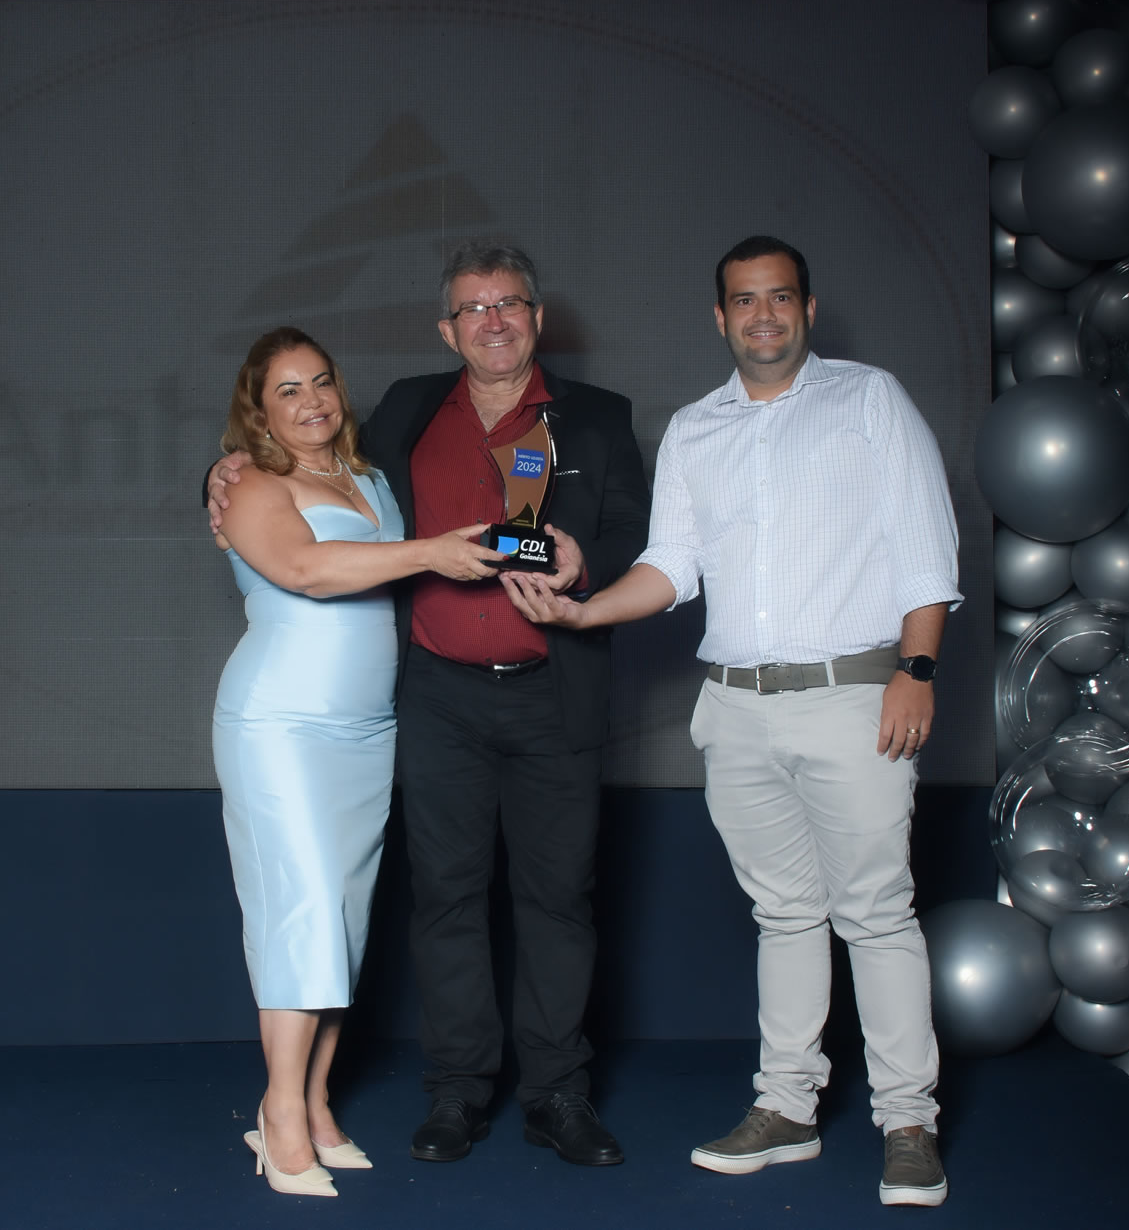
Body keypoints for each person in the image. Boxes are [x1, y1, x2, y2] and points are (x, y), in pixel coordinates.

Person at [501, 235, 962, 1207]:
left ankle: (907, 1121)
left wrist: (915, 670)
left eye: (779, 297)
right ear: (720, 317)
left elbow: (925, 550)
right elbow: (673, 564)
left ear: (806, 308)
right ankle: (786, 1107)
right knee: (783, 914)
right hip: (736, 708)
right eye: (744, 300)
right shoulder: (694, 428)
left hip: (854, 699)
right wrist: (584, 611)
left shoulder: (869, 400)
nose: (762, 315)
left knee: (876, 912)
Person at [210, 242, 650, 1168]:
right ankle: (457, 1093)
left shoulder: (599, 417)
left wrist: (586, 561)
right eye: (473, 308)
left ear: (536, 316)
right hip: (438, 698)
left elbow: (638, 535)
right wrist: (215, 476)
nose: (494, 321)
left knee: (558, 902)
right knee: (445, 899)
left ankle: (558, 1095)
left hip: (553, 694)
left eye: (510, 303)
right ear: (448, 330)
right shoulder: (408, 410)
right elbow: (290, 473)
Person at [211, 326, 504, 1198]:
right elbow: (305, 568)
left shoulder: (369, 478)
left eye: (321, 382)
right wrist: (429, 552)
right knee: (300, 912)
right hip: (280, 725)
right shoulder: (250, 484)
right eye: (288, 390)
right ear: (258, 412)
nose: (312, 402)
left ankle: (315, 1101)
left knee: (342, 920)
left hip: (366, 729)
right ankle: (278, 1116)